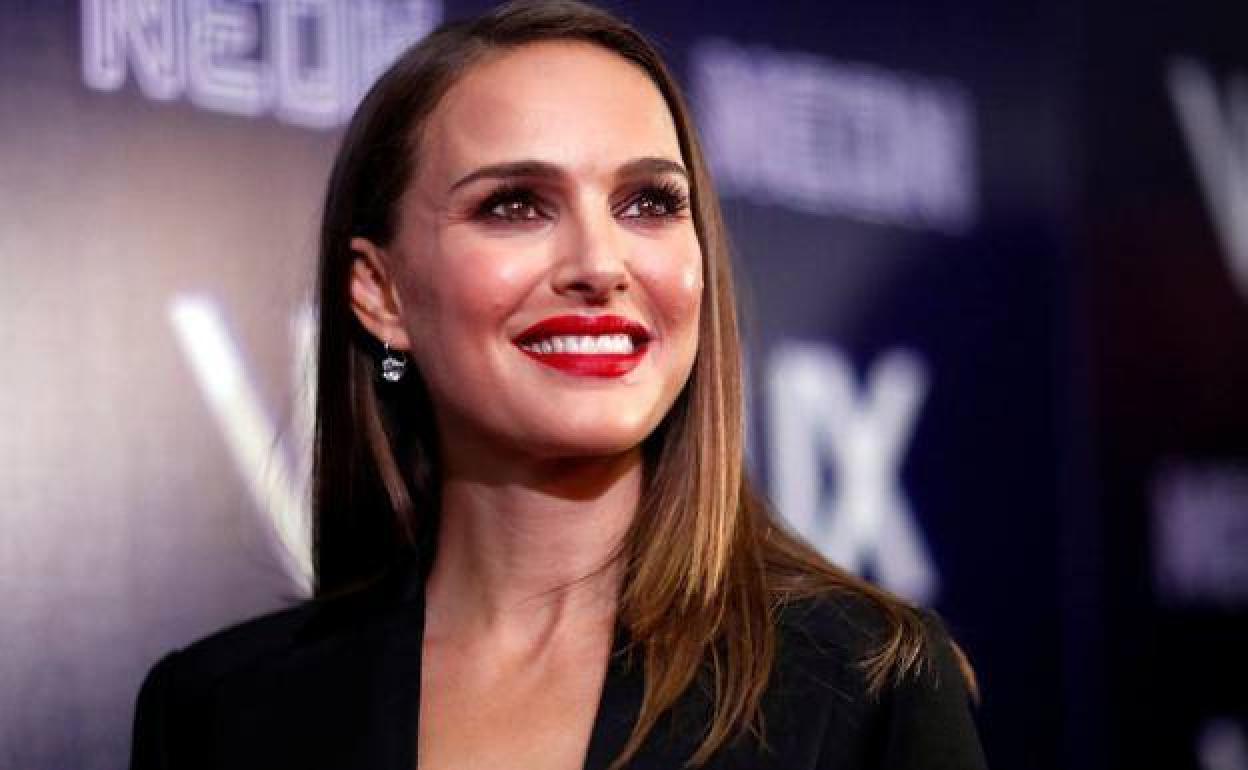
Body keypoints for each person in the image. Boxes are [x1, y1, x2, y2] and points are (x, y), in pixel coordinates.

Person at [129, 2, 988, 768]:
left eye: (649, 203)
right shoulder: (217, 712)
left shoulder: (865, 682)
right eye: (515, 205)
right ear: (382, 292)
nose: (599, 264)